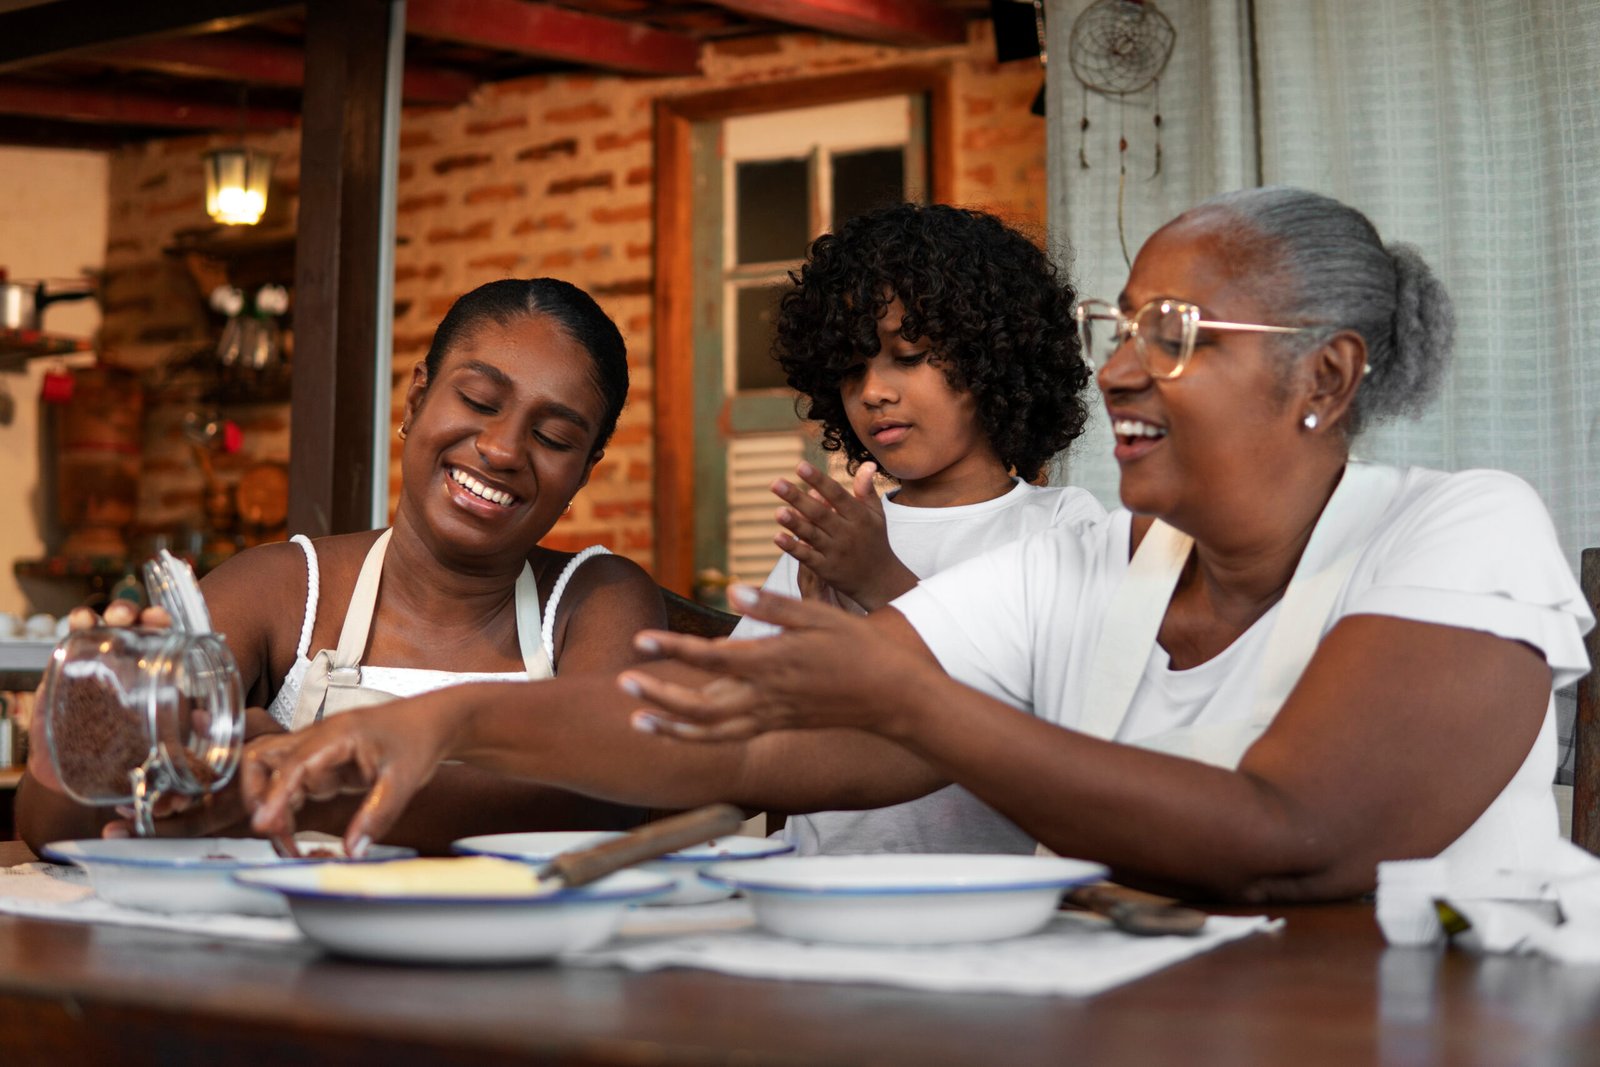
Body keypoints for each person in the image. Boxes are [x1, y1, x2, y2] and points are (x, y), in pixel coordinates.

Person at [242, 188, 1592, 902]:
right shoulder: (1087, 572)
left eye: (1170, 336)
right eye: (1114, 327)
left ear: (1328, 377)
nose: (1120, 368)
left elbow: (1290, 837)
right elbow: (753, 737)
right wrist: (459, 721)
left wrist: (921, 702)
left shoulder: (1456, 527)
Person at [18, 277, 666, 854]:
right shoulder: (283, 590)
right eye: (477, 400)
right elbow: (57, 829)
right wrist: (86, 734)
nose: (501, 449)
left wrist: (286, 789)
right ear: (415, 401)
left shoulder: (596, 599)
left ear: (582, 473)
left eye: (553, 437)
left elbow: (604, 790)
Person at [732, 202, 1104, 854]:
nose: (873, 390)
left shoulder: (1062, 528)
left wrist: (881, 581)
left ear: (995, 358)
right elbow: (745, 714)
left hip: (988, 902)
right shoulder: (837, 534)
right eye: (851, 367)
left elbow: (1040, 724)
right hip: (829, 893)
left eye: (910, 355)